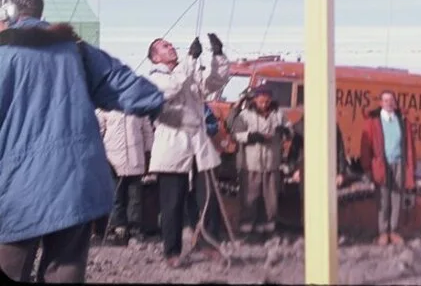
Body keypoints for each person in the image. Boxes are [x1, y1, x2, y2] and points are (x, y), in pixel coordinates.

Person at [0, 0, 164, 283]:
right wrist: (159, 103)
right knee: (64, 272)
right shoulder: (76, 49)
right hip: (75, 185)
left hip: (18, 189)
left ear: (8, 11)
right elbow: (121, 82)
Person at [147, 33, 230, 267]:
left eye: (171, 44)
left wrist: (219, 55)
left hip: (199, 144)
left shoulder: (188, 71)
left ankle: (209, 244)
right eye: (164, 46)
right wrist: (190, 60)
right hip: (173, 144)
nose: (171, 47)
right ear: (155, 57)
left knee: (207, 199)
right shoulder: (155, 79)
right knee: (172, 202)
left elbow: (215, 82)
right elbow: (171, 90)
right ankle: (172, 251)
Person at [226, 84, 293, 239]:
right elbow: (235, 134)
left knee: (271, 200)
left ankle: (269, 229)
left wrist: (284, 132)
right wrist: (251, 137)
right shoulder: (245, 115)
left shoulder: (278, 114)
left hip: (271, 163)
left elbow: (289, 131)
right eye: (261, 101)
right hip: (251, 164)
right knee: (249, 198)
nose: (264, 105)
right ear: (255, 100)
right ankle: (246, 230)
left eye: (267, 101)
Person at [360, 90, 417, 245]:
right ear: (380, 103)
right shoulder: (373, 122)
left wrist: (411, 166)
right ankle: (383, 231)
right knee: (383, 198)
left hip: (399, 163)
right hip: (381, 164)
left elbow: (409, 146)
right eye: (385, 100)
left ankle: (394, 230)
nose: (389, 103)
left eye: (391, 100)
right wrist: (367, 167)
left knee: (397, 197)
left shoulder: (402, 121)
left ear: (395, 103)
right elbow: (366, 147)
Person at [96, 109, 155, 245]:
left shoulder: (139, 108)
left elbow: (147, 132)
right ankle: (120, 230)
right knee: (116, 198)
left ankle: (135, 230)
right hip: (113, 160)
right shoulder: (105, 107)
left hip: (135, 159)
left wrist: (148, 154)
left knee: (135, 198)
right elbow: (98, 131)